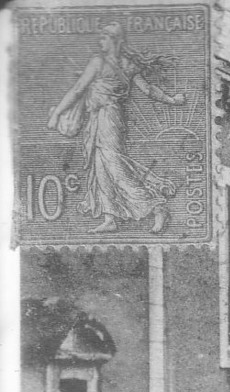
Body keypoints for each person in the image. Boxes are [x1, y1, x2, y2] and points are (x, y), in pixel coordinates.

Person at [45, 20, 186, 233]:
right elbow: (147, 89)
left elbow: (78, 90)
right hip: (97, 118)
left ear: (115, 40)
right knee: (100, 166)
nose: (100, 40)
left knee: (114, 165)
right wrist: (172, 99)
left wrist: (56, 113)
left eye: (104, 37)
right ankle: (110, 217)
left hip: (109, 117)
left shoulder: (104, 63)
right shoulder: (122, 64)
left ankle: (157, 207)